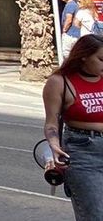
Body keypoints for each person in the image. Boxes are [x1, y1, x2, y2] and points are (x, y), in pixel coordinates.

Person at [43, 33, 103, 220]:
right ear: (84, 56)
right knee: (95, 214)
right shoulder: (60, 82)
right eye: (101, 59)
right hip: (83, 151)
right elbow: (51, 122)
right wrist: (54, 144)